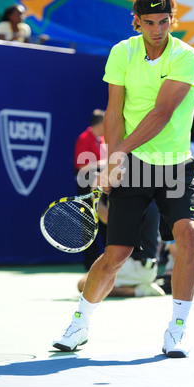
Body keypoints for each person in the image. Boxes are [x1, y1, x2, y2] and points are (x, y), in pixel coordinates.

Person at [53, 0, 194, 358]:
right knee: (116, 253)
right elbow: (114, 111)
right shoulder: (122, 52)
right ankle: (79, 324)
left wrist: (118, 153)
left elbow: (162, 113)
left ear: (172, 19)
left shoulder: (186, 56)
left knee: (188, 234)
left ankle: (176, 330)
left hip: (175, 164)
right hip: (135, 165)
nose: (156, 29)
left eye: (163, 21)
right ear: (136, 21)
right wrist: (114, 158)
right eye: (148, 22)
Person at [77, 200, 164, 297]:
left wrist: (95, 198)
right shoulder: (148, 198)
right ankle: (140, 285)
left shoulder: (130, 199)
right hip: (143, 267)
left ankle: (142, 291)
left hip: (136, 267)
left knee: (83, 285)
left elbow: (107, 217)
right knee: (89, 282)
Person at [74, 109, 107, 270]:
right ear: (100, 123)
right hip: (86, 188)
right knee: (89, 225)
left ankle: (108, 261)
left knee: (107, 223)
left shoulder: (102, 139)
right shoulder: (84, 138)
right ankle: (91, 263)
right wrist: (101, 165)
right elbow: (81, 166)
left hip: (104, 189)